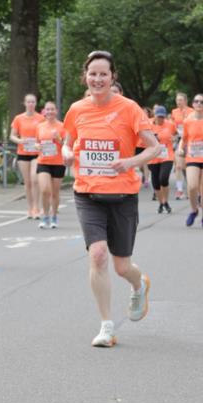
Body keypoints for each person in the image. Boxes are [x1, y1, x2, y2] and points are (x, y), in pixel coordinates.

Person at [62, 51, 159, 348]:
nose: (98, 79)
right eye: (93, 73)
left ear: (112, 77)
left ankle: (138, 283)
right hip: (87, 192)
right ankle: (106, 326)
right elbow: (67, 144)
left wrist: (130, 162)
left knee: (121, 266)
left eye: (104, 73)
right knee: (98, 255)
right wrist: (66, 155)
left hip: (122, 194)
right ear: (85, 76)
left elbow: (154, 147)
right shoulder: (77, 109)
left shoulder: (129, 108)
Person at [178, 94, 203, 228]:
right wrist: (180, 148)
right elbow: (184, 138)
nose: (199, 104)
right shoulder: (188, 121)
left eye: (202, 102)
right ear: (193, 104)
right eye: (196, 101)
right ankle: (194, 210)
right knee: (192, 186)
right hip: (193, 156)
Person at [10, 93, 45, 218]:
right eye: (28, 102)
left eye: (33, 102)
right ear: (24, 103)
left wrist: (39, 143)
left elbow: (44, 134)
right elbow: (12, 136)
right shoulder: (18, 118)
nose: (31, 104)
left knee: (35, 180)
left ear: (35, 104)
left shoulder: (41, 118)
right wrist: (20, 141)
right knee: (27, 182)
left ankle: (37, 207)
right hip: (23, 152)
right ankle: (30, 208)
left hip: (36, 153)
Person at [35, 101, 65, 229]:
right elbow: (37, 143)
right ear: (44, 112)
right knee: (45, 190)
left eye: (52, 109)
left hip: (58, 162)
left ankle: (54, 217)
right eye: (48, 110)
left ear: (56, 111)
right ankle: (45, 216)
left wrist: (58, 138)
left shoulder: (62, 126)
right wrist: (37, 146)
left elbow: (67, 145)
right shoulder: (40, 127)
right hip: (43, 162)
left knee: (55, 193)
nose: (50, 112)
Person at [149, 105, 175, 214]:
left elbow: (177, 135)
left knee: (163, 178)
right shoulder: (148, 125)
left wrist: (174, 139)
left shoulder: (170, 125)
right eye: (159, 117)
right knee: (155, 182)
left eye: (162, 117)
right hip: (153, 156)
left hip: (166, 155)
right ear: (154, 116)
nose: (160, 119)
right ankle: (161, 203)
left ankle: (166, 201)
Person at [171, 92, 192, 199]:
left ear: (185, 101)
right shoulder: (174, 112)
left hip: (190, 141)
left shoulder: (191, 111)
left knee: (187, 167)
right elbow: (174, 126)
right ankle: (179, 190)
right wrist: (173, 135)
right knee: (178, 166)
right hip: (179, 140)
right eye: (177, 100)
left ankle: (191, 188)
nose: (178, 102)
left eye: (180, 100)